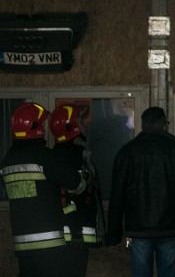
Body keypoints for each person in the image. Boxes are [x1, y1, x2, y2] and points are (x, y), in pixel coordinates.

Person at [107, 106, 175, 277]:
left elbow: (117, 195)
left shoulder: (127, 152)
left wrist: (114, 234)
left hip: (138, 230)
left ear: (143, 124)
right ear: (163, 124)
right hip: (171, 228)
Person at [1, 102, 87, 277]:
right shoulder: (45, 157)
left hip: (23, 246)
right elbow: (77, 184)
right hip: (50, 246)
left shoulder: (7, 162)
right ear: (37, 128)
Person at [49, 104, 106, 260]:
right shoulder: (67, 159)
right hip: (73, 239)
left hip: (75, 236)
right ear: (72, 129)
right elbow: (67, 199)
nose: (85, 124)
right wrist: (76, 233)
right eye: (81, 121)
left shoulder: (70, 155)